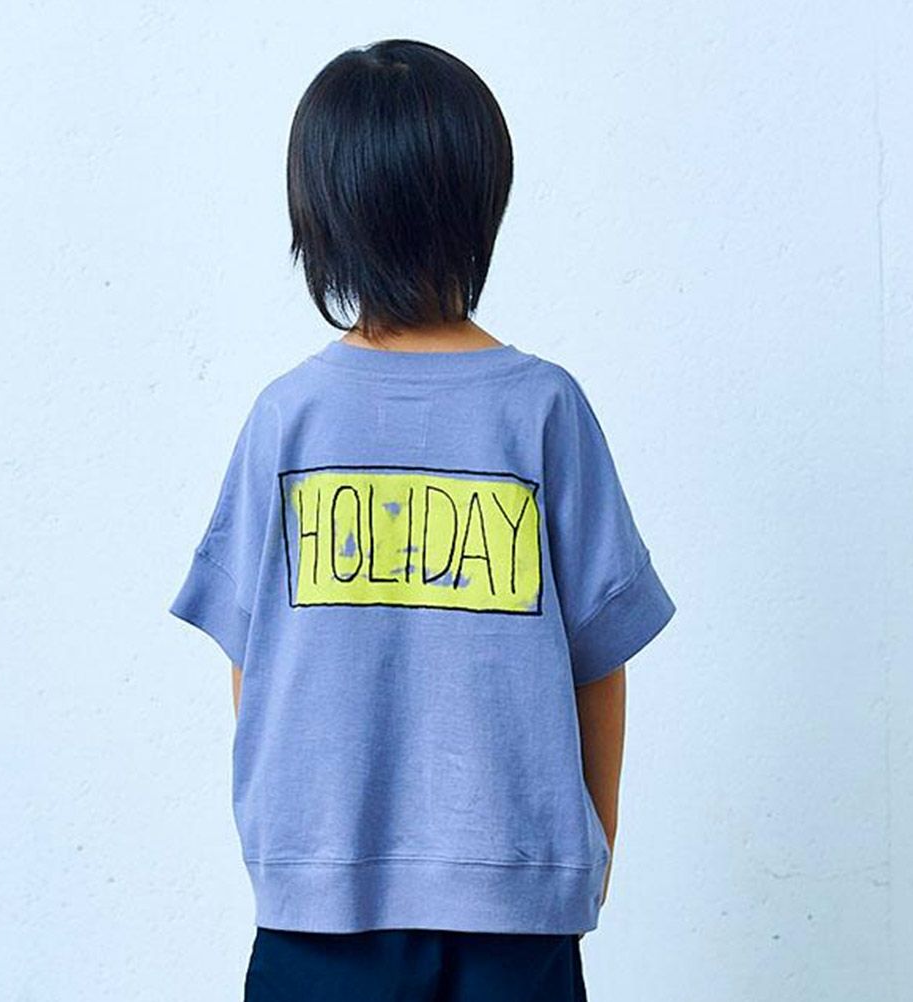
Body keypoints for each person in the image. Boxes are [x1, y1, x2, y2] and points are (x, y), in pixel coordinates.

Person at [168, 38, 676, 1002]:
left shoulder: (512, 413)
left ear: (319, 216)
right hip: (436, 910)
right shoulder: (319, 417)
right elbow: (601, 666)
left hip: (367, 908)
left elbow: (251, 659)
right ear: (482, 201)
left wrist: (301, 847)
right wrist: (591, 846)